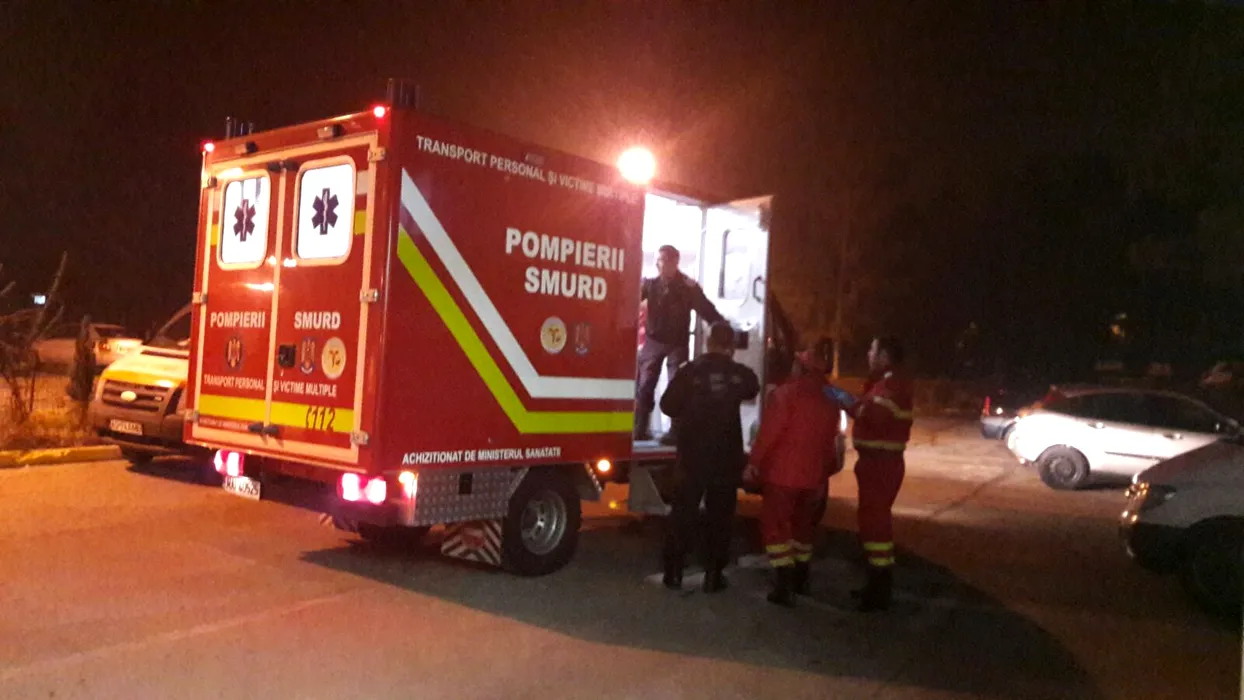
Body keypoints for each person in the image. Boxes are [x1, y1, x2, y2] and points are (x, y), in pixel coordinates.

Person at [658, 321, 760, 592]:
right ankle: (714, 576)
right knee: (720, 519)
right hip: (726, 459)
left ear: (708, 342)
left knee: (683, 514)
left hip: (692, 456)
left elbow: (667, 405)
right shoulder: (739, 374)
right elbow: (753, 388)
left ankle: (673, 573)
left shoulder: (690, 372)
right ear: (731, 346)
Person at [746, 345, 843, 607]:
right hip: (813, 478)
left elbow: (769, 434)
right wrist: (826, 470)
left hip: (783, 475)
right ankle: (801, 577)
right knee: (803, 528)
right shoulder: (831, 398)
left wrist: (754, 463)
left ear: (800, 368)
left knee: (776, 526)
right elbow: (831, 440)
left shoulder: (785, 395)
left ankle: (783, 583)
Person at [848, 336, 914, 612]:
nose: (868, 354)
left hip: (881, 465)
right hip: (875, 463)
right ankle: (875, 584)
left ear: (884, 355)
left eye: (872, 350)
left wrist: (853, 405)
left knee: (876, 527)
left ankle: (880, 589)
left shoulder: (892, 385)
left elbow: (874, 416)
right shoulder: (882, 383)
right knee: (871, 523)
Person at [635, 245, 726, 442]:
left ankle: (675, 432)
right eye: (659, 260)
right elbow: (629, 303)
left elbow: (706, 309)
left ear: (675, 262)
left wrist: (721, 326)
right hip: (653, 342)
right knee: (645, 385)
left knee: (677, 386)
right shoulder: (649, 285)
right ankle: (640, 429)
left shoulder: (688, 287)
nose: (661, 264)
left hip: (677, 343)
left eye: (665, 260)